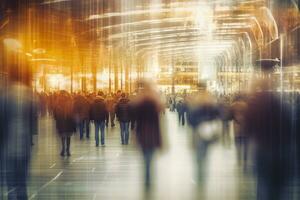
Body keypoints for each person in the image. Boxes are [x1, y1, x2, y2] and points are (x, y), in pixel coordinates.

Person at [1, 55, 38, 199]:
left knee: (11, 184)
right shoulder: (30, 95)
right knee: (22, 183)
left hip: (8, 146)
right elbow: (33, 123)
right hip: (24, 145)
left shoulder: (5, 95)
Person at [132, 80, 162, 188]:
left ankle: (147, 177)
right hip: (153, 132)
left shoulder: (139, 103)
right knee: (150, 156)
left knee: (145, 156)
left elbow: (136, 119)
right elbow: (157, 121)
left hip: (142, 132)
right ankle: (148, 177)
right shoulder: (155, 102)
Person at [53, 91, 76, 156]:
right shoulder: (71, 102)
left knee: (62, 136)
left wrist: (57, 119)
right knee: (68, 136)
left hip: (61, 122)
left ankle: (63, 149)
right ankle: (68, 150)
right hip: (69, 122)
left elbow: (54, 113)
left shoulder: (57, 102)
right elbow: (73, 112)